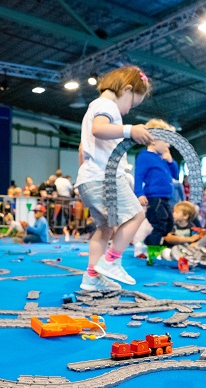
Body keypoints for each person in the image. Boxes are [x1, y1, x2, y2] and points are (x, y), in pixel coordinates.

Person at [75, 65, 153, 291]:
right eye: (131, 103)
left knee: (105, 229)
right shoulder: (107, 106)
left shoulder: (95, 108)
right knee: (136, 216)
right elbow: (100, 130)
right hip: (103, 179)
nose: (128, 111)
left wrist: (87, 175)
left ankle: (92, 277)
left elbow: (83, 147)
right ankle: (111, 261)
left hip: (91, 178)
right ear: (126, 89)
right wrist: (130, 130)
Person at [134, 119, 179, 246]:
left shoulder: (163, 158)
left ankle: (161, 247)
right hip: (154, 197)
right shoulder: (145, 156)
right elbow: (139, 176)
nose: (168, 145)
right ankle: (147, 244)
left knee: (169, 225)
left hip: (165, 198)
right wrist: (139, 193)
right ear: (153, 140)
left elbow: (175, 175)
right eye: (165, 141)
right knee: (160, 223)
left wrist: (171, 162)